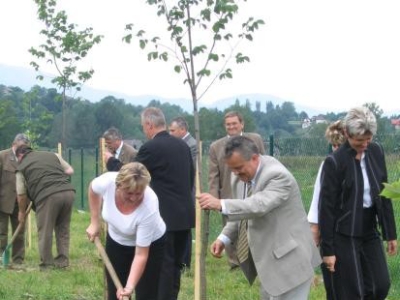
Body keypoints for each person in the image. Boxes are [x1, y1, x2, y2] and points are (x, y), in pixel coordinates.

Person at [198, 136, 321, 300]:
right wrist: (224, 237)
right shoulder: (242, 175)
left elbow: (258, 205)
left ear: (254, 158)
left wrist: (220, 204)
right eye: (232, 169)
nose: (235, 173)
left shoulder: (277, 176)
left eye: (239, 167)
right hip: (269, 264)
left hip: (290, 261)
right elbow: (244, 209)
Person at [107, 107, 195, 300]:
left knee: (161, 268)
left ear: (149, 124)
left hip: (163, 217)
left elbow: (131, 174)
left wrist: (111, 162)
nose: (144, 130)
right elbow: (191, 178)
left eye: (143, 126)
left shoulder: (150, 148)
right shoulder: (183, 146)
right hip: (185, 216)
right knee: (175, 268)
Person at [319, 107, 398, 300]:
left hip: (369, 229)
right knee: (354, 292)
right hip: (344, 233)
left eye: (368, 140)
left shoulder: (377, 151)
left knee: (380, 285)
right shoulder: (335, 162)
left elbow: (384, 193)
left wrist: (390, 234)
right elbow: (326, 208)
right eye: (359, 141)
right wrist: (327, 250)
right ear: (347, 134)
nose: (364, 145)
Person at [86, 162, 166, 300]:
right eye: (129, 193)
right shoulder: (107, 182)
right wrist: (94, 222)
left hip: (151, 245)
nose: (134, 198)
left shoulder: (150, 205)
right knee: (115, 294)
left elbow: (141, 255)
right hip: (117, 241)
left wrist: (129, 288)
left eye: (138, 193)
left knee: (146, 294)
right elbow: (93, 189)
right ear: (118, 187)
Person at [208, 110, 266, 269]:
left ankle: (254, 259)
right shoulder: (216, 147)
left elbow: (264, 162)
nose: (231, 126)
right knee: (231, 226)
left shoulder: (255, 139)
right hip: (229, 194)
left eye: (234, 123)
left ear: (242, 124)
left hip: (254, 191)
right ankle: (234, 261)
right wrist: (214, 198)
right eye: (228, 124)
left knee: (254, 225)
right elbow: (213, 174)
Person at [15, 145, 75, 270]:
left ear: (20, 155)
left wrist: (21, 212)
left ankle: (47, 264)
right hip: (68, 192)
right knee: (63, 228)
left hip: (48, 196)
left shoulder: (21, 167)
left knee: (45, 230)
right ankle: (62, 261)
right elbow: (70, 171)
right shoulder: (53, 155)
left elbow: (21, 194)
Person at [307, 120, 346, 246]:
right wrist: (314, 226)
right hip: (333, 224)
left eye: (339, 145)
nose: (336, 149)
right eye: (334, 145)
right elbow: (318, 195)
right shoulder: (328, 164)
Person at [169, 116, 197, 271]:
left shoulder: (191, 145)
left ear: (182, 130)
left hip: (187, 192)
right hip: (179, 193)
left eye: (173, 130)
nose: (170, 133)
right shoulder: (181, 144)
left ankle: (185, 262)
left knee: (185, 228)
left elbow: (189, 169)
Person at [0, 133, 31, 265]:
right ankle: (1, 257)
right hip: (3, 200)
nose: (23, 149)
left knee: (19, 231)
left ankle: (18, 259)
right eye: (21, 146)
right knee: (2, 231)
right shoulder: (2, 156)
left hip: (21, 202)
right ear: (14, 144)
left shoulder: (28, 157)